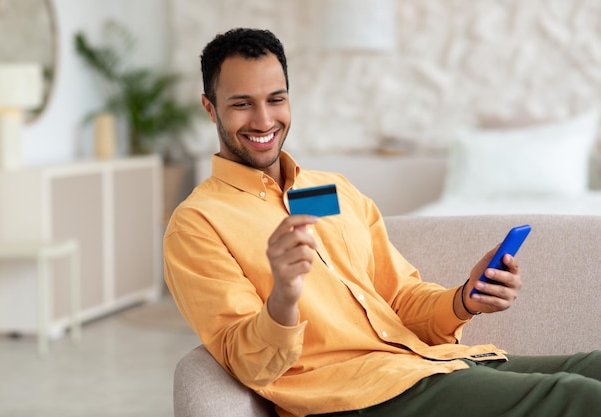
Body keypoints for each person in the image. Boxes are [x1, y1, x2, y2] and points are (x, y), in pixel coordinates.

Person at [163, 28, 601, 417]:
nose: (263, 120)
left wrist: (465, 298)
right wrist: (284, 296)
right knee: (575, 396)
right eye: (242, 104)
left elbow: (399, 296)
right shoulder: (199, 224)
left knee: (592, 370)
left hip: (422, 364)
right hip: (352, 396)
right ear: (210, 107)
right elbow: (246, 362)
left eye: (276, 99)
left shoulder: (331, 189)